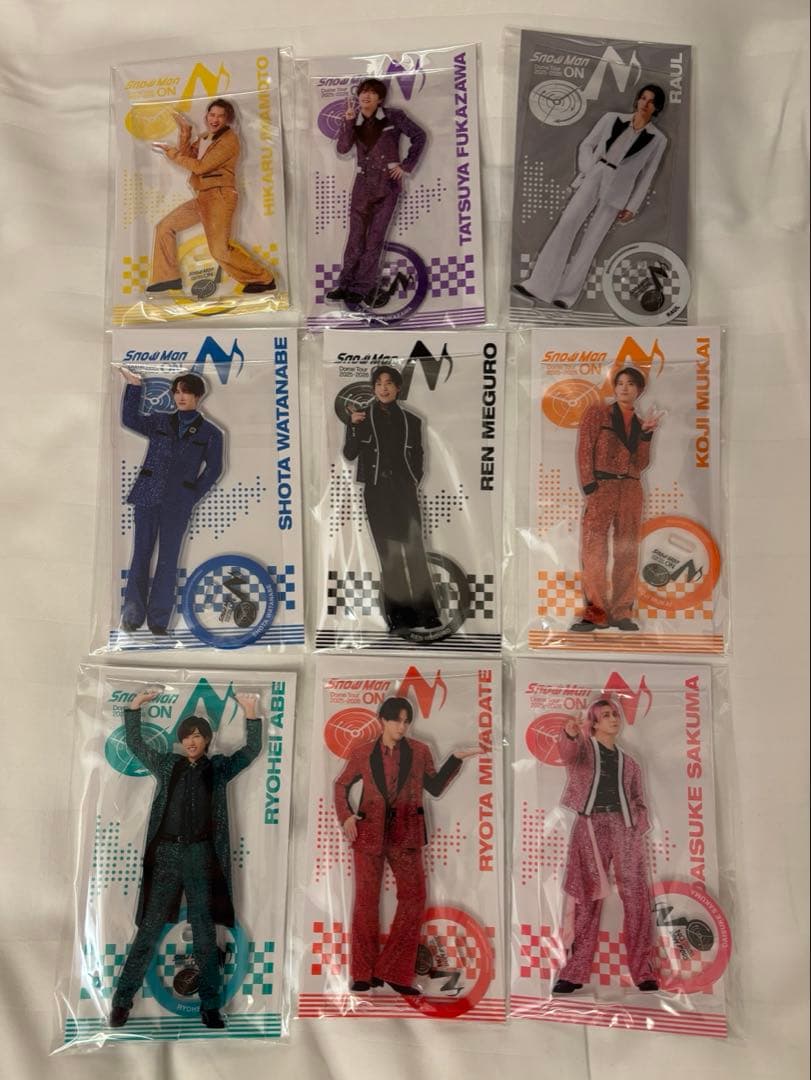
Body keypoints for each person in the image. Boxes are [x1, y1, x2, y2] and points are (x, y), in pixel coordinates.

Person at [109, 688, 262, 1029]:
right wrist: (134, 707)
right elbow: (136, 745)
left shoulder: (218, 769)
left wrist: (251, 712)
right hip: (166, 853)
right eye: (187, 736)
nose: (191, 742)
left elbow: (250, 751)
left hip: (201, 854)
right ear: (180, 740)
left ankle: (210, 1006)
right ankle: (121, 1002)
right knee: (149, 930)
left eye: (197, 736)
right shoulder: (168, 765)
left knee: (205, 933)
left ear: (206, 740)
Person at [334, 696, 478, 995]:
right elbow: (341, 784)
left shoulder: (420, 750)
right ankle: (362, 974)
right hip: (368, 834)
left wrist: (456, 759)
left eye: (406, 721)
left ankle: (394, 971)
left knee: (414, 898)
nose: (402, 726)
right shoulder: (363, 752)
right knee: (365, 903)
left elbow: (434, 787)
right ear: (382, 721)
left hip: (407, 835)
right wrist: (346, 816)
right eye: (396, 720)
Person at [514, 84, 667, 310]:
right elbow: (587, 144)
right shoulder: (612, 118)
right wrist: (588, 169)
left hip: (619, 190)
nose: (646, 103)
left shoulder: (658, 139)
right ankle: (538, 285)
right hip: (595, 176)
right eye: (643, 98)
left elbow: (648, 174)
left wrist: (633, 206)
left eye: (651, 101)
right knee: (566, 225)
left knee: (592, 240)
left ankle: (565, 295)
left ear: (657, 108)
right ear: (637, 100)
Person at [552, 698, 658, 994]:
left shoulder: (630, 763)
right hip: (590, 825)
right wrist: (570, 733)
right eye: (607, 715)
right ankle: (574, 972)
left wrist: (637, 824)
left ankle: (642, 971)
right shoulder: (584, 751)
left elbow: (638, 798)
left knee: (636, 896)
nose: (614, 719)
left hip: (625, 827)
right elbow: (567, 753)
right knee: (587, 896)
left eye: (616, 714)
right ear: (595, 722)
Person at [119, 367, 224, 635]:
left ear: (198, 395)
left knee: (167, 560)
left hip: (178, 504)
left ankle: (158, 621)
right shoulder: (159, 421)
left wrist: (191, 496)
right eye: (176, 392)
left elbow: (214, 470)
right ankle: (132, 616)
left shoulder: (211, 433)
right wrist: (134, 386)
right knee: (140, 554)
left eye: (186, 392)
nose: (180, 397)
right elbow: (129, 419)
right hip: (147, 496)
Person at [342, 365, 441, 633]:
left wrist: (413, 479)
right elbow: (350, 454)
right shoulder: (362, 418)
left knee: (414, 550)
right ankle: (399, 617)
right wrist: (353, 427)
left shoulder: (412, 421)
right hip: (376, 492)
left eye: (388, 383)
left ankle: (427, 613)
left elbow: (418, 454)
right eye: (378, 384)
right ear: (373, 388)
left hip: (404, 490)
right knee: (388, 554)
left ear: (398, 388)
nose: (383, 388)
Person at [148, 98, 276, 294]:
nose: (215, 119)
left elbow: (200, 167)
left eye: (220, 116)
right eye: (212, 114)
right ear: (206, 115)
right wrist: (185, 132)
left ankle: (264, 279)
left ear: (228, 119)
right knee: (165, 227)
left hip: (220, 197)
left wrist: (172, 154)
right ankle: (167, 278)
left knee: (219, 251)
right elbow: (188, 158)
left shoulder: (230, 141)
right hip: (203, 197)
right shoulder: (206, 137)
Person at [572, 365, 661, 632]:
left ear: (639, 390)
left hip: (631, 489)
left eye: (631, 384)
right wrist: (589, 485)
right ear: (614, 386)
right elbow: (585, 448)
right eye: (620, 383)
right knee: (594, 550)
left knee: (627, 549)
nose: (624, 388)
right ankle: (595, 613)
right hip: (602, 486)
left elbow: (641, 463)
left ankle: (622, 613)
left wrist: (647, 434)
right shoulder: (598, 413)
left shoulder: (640, 422)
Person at [326, 78, 427, 307]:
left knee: (374, 239)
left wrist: (406, 166)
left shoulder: (394, 116)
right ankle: (345, 285)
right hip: (362, 186)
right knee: (355, 238)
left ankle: (361, 287)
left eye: (372, 92)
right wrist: (348, 122)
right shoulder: (354, 120)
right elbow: (342, 148)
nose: (366, 95)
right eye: (363, 92)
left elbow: (419, 136)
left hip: (387, 185)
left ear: (380, 98)